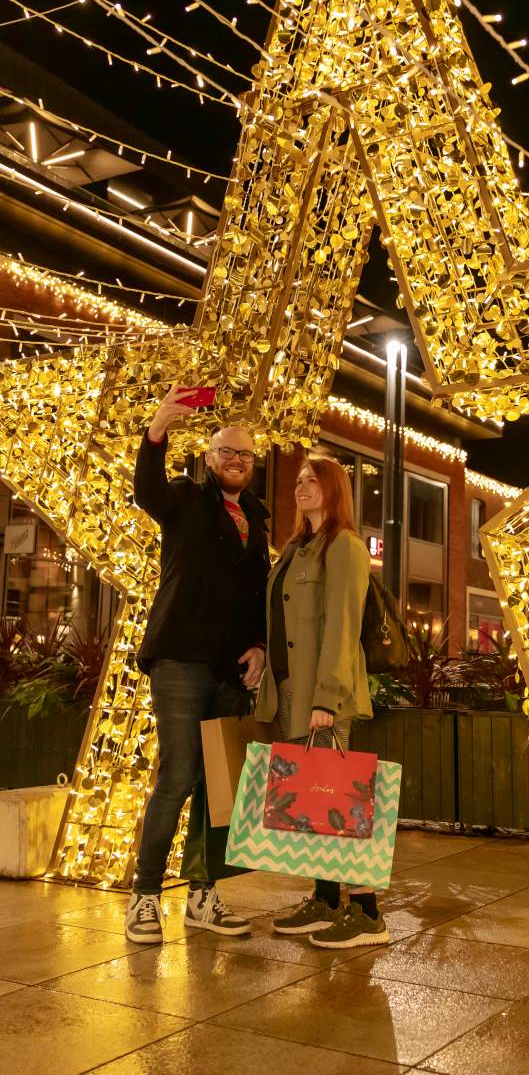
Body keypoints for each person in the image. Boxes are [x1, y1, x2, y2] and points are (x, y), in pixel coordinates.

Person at [125, 384, 270, 945]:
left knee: (218, 785)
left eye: (245, 455)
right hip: (181, 659)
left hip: (231, 668)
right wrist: (158, 426)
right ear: (208, 459)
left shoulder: (256, 517)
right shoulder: (185, 498)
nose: (235, 461)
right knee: (178, 776)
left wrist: (258, 645)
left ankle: (203, 894)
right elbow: (146, 490)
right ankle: (143, 897)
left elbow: (257, 591)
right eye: (226, 452)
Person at [255, 455, 389, 948]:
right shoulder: (295, 549)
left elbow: (342, 626)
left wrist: (327, 699)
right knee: (313, 803)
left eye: (313, 480)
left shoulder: (345, 547)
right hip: (291, 691)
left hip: (322, 693)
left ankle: (369, 913)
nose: (302, 486)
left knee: (340, 800)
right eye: (298, 480)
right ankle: (328, 899)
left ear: (335, 489)